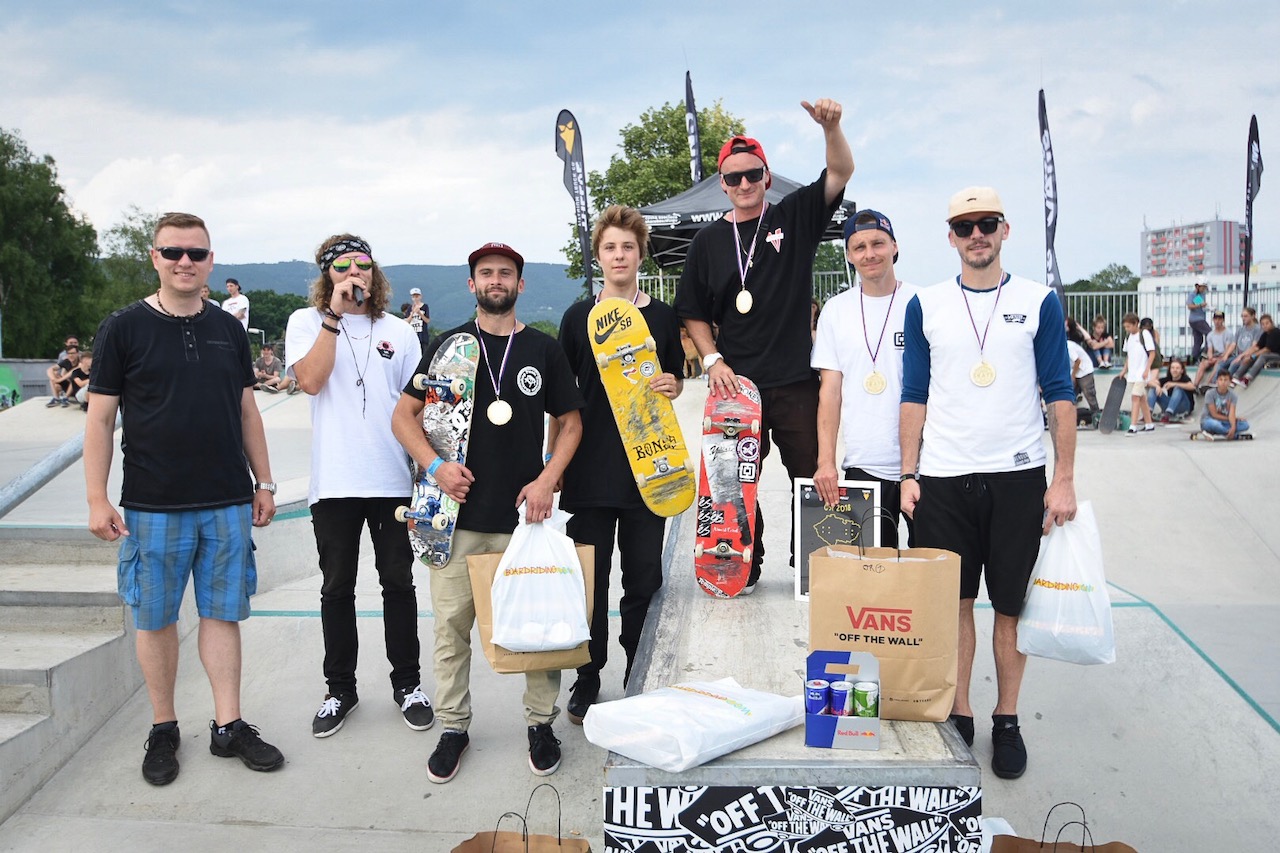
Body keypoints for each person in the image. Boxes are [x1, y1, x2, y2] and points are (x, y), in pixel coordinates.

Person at [84, 211, 283, 786]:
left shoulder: (227, 328)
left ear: (211, 261)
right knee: (157, 617)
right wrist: (98, 498)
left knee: (223, 615)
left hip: (225, 499)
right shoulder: (123, 328)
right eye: (173, 252)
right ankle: (164, 727)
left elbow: (248, 410)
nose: (184, 262)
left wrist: (263, 482)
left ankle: (228, 725)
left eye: (196, 253)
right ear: (155, 258)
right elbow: (99, 422)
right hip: (153, 503)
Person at [899, 186, 1076, 781]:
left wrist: (1065, 479)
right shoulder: (925, 304)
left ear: (1005, 230)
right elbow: (914, 394)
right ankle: (961, 711)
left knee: (1009, 606)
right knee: (954, 605)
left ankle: (1006, 718)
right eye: (964, 225)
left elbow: (1059, 392)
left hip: (1019, 476)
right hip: (944, 477)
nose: (977, 234)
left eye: (987, 223)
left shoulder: (1039, 300)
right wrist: (907, 472)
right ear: (950, 236)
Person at [392, 241, 584, 784]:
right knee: (451, 629)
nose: (495, 280)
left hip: (525, 519)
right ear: (472, 284)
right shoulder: (449, 346)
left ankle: (540, 723)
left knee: (538, 626)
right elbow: (404, 417)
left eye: (505, 273)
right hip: (454, 519)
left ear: (520, 285)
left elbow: (571, 423)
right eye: (485, 273)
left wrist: (548, 478)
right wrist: (434, 468)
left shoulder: (543, 350)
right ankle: (454, 726)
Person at [675, 99, 854, 592]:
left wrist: (831, 129)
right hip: (736, 387)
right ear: (723, 184)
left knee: (810, 478)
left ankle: (818, 569)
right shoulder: (708, 242)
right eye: (733, 178)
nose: (744, 184)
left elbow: (840, 170)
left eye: (753, 174)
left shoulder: (794, 218)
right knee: (734, 484)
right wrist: (711, 359)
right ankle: (741, 568)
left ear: (767, 177)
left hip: (795, 379)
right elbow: (691, 309)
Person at [284, 234, 432, 739]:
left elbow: (419, 407)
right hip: (335, 481)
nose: (355, 274)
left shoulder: (398, 330)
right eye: (343, 267)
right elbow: (310, 381)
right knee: (336, 589)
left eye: (363, 266)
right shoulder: (306, 323)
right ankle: (339, 689)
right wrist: (333, 318)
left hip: (390, 476)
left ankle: (408, 684)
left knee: (398, 584)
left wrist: (425, 469)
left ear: (376, 273)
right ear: (327, 275)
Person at [553, 205, 684, 724]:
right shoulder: (575, 318)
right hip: (587, 470)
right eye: (610, 247)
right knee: (589, 582)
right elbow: (562, 404)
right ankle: (587, 678)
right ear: (598, 254)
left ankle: (640, 672)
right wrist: (552, 463)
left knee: (644, 581)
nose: (619, 255)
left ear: (640, 252)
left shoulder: (663, 316)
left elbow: (672, 378)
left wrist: (673, 384)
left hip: (647, 469)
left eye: (628, 247)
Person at [813, 209, 918, 547]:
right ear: (848, 255)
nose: (869, 253)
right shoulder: (836, 310)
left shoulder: (923, 302)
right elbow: (830, 392)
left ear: (895, 247)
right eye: (859, 247)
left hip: (923, 464)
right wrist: (825, 461)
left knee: (928, 575)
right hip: (864, 462)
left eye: (878, 243)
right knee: (874, 577)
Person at [1121, 312, 1157, 434]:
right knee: (1142, 399)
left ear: (1136, 324)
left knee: (1135, 397)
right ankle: (1149, 424)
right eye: (1125, 327)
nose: (1127, 329)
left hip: (1142, 373)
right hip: (1133, 373)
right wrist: (1124, 371)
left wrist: (1147, 369)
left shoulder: (1144, 334)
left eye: (1129, 326)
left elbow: (1152, 353)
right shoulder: (1128, 338)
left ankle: (1133, 425)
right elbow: (1128, 356)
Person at [1231, 312, 1280, 388]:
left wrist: (1252, 356)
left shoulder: (1276, 332)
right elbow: (1256, 347)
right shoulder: (1265, 334)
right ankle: (1236, 377)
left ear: (1271, 323)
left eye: (1267, 323)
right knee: (1250, 357)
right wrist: (1243, 355)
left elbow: (1266, 349)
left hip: (1277, 355)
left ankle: (1248, 378)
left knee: (1261, 356)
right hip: (1269, 355)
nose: (1265, 326)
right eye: (1263, 324)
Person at [1065, 323, 1099, 426]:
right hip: (1074, 371)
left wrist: (1073, 376)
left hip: (1084, 370)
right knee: (1070, 393)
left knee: (1089, 394)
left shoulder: (1068, 346)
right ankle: (1069, 417)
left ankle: (1096, 416)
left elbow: (1078, 361)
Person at [1201, 371, 1251, 438]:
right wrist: (1233, 419)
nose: (1223, 382)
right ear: (1217, 381)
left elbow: (1232, 413)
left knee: (1245, 424)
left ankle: (1220, 431)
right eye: (1220, 380)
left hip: (1224, 421)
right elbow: (1214, 414)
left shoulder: (1233, 395)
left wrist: (1233, 426)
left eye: (1225, 380)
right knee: (1215, 425)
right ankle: (1235, 436)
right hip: (1209, 420)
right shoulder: (1210, 393)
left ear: (1230, 382)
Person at [1191, 311, 1232, 390]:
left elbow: (1227, 350)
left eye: (1219, 319)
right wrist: (1210, 357)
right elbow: (1210, 349)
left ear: (1223, 320)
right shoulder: (1210, 335)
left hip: (1225, 356)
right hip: (1215, 356)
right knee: (1203, 364)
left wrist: (1219, 357)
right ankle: (1195, 385)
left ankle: (1209, 383)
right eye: (1215, 319)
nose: (1217, 321)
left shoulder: (1228, 333)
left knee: (1218, 363)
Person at [1149, 358, 1196, 423]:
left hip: (1184, 407)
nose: (1174, 370)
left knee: (1178, 388)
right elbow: (1149, 383)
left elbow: (1192, 387)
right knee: (1153, 389)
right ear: (1170, 370)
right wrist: (1157, 386)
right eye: (1172, 368)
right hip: (1170, 406)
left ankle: (1168, 415)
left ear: (1182, 370)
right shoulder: (1168, 379)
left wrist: (1174, 384)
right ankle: (1148, 414)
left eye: (1177, 368)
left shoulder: (1185, 378)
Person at [1222, 307, 1263, 381]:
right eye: (1242, 316)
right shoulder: (1240, 329)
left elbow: (1254, 347)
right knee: (1221, 364)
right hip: (1238, 356)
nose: (1243, 318)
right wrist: (1226, 355)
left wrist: (1241, 356)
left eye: (1246, 316)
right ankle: (1215, 384)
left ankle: (1227, 383)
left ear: (1253, 316)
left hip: (1248, 356)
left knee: (1233, 365)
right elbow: (1233, 344)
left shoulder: (1257, 329)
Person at [1186, 279, 1211, 363]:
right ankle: (1205, 352)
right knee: (1210, 333)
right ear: (1197, 286)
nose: (1204, 289)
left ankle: (1194, 357)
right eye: (1202, 287)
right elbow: (1190, 306)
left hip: (1199, 318)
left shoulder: (1201, 295)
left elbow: (1200, 306)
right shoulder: (1192, 295)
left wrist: (1208, 308)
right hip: (1196, 319)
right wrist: (1200, 305)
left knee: (1198, 340)